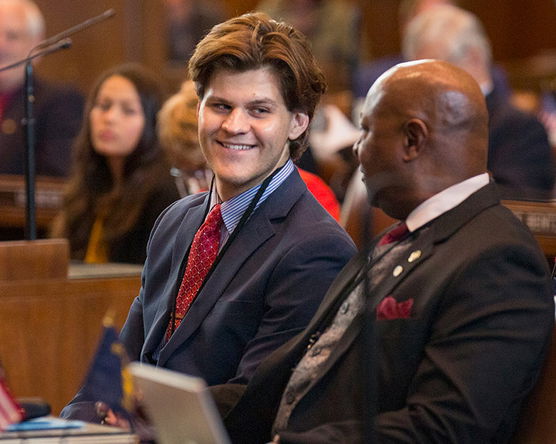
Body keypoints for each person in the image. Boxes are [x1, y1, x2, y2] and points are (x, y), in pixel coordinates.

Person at [209, 60, 555, 443]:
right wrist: (181, 411)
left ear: (412, 140)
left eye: (367, 130)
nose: (357, 148)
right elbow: (292, 377)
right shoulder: (395, 238)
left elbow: (447, 428)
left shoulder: (497, 258)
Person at [61, 12, 355, 422]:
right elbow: (112, 375)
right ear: (197, 108)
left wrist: (141, 416)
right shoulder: (174, 221)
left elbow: (256, 403)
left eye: (259, 110)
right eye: (220, 105)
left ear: (298, 122)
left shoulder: (317, 248)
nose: (235, 125)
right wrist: (69, 429)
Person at [402, 4, 555, 199]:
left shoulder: (519, 128)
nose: (426, 86)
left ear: (473, 58)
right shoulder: (418, 122)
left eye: (437, 70)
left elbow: (517, 208)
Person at [50, 63, 180, 264]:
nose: (109, 118)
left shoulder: (164, 195)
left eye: (128, 110)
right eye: (103, 106)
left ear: (152, 121)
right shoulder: (88, 184)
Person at [158, 79, 341, 219]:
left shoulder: (313, 197)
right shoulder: (178, 218)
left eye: (205, 171)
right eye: (189, 174)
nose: (197, 187)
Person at [0, 0, 83, 177]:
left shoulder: (60, 103)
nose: (1, 46)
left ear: (36, 44)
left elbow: (53, 183)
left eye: (12, 36)